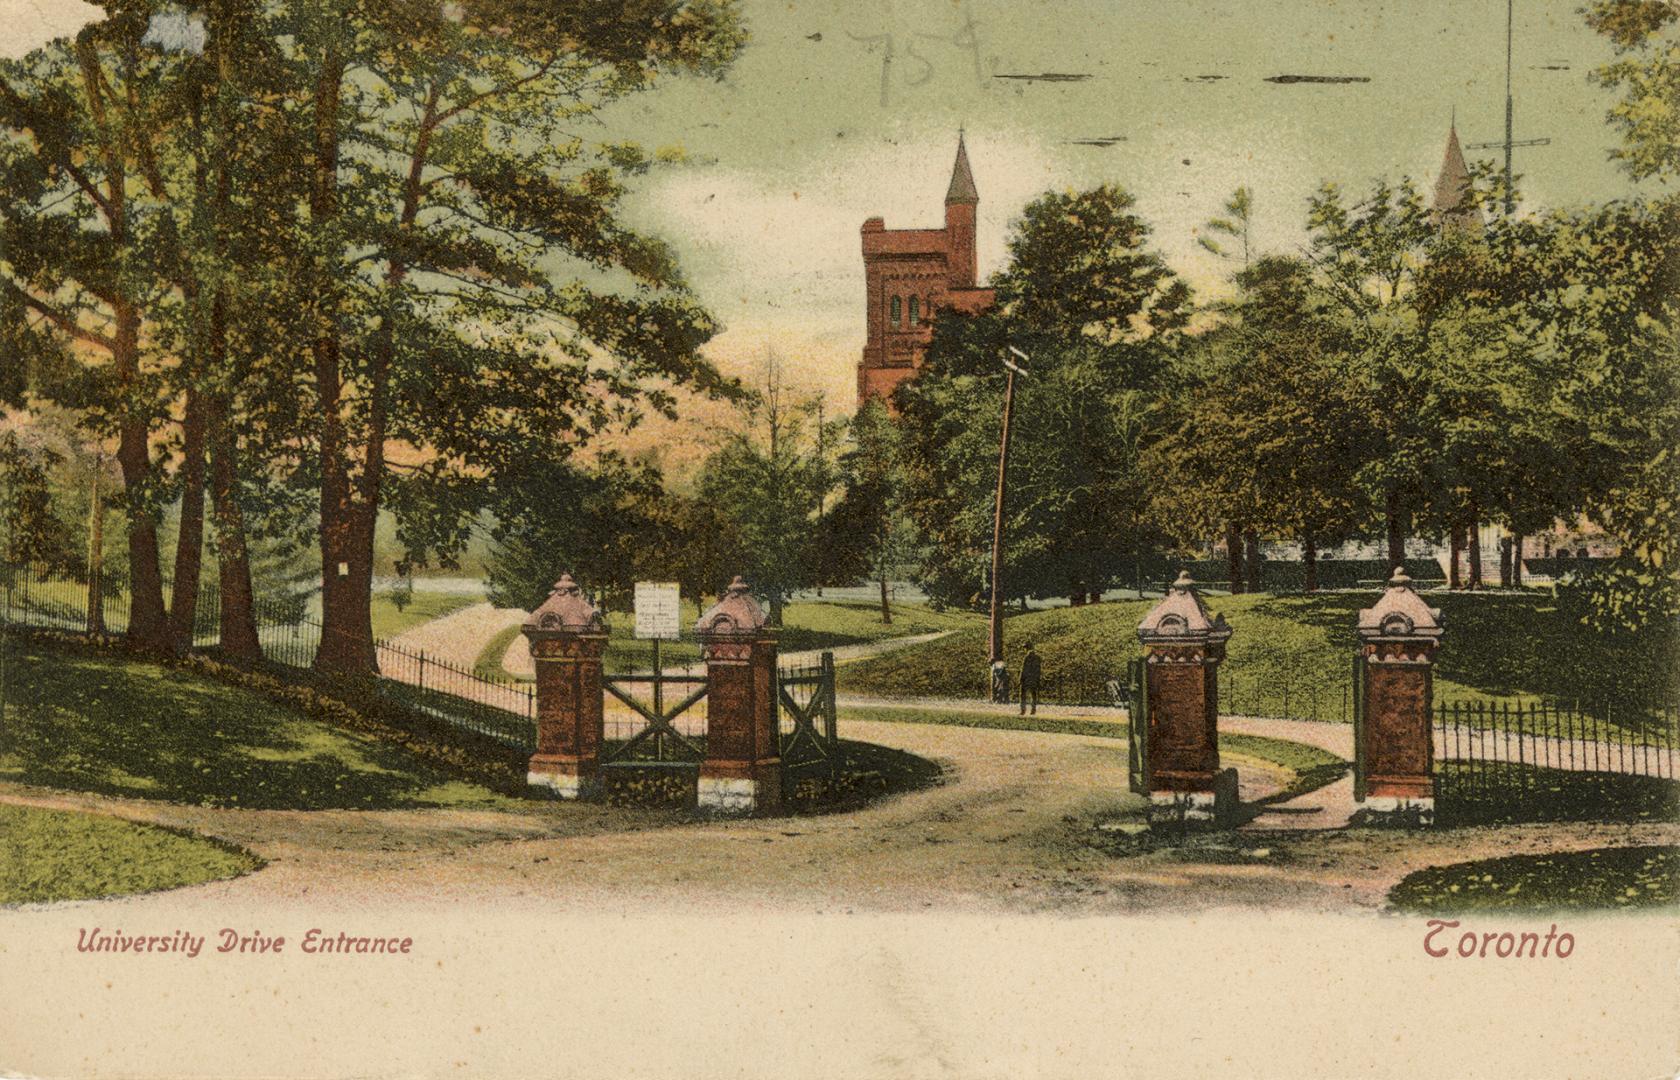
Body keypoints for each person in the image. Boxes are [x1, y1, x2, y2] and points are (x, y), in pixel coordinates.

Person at [1019, 645, 1041, 715]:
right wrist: (1038, 678)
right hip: (1034, 678)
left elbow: (1024, 669)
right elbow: (1038, 669)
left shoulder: (1027, 657)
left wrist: (1021, 678)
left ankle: (1023, 710)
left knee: (1023, 694)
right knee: (1033, 694)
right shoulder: (1037, 657)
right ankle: (1033, 710)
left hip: (1026, 678)